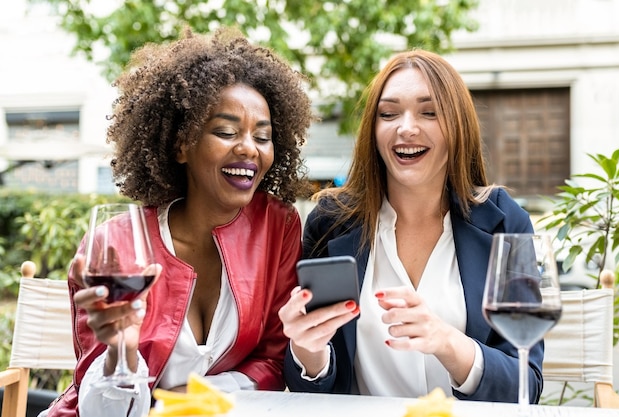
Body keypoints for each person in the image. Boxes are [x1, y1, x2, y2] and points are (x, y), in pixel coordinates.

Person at [43, 27, 313, 417]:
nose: (249, 148)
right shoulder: (116, 242)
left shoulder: (278, 226)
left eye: (263, 136)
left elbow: (273, 358)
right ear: (181, 144)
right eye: (226, 131)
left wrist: (199, 395)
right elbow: (97, 410)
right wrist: (122, 352)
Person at [278, 49, 542, 403]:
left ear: (457, 126)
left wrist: (447, 341)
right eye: (388, 114)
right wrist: (308, 349)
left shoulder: (505, 222)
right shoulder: (331, 222)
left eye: (429, 112)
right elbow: (314, 390)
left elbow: (526, 382)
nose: (406, 128)